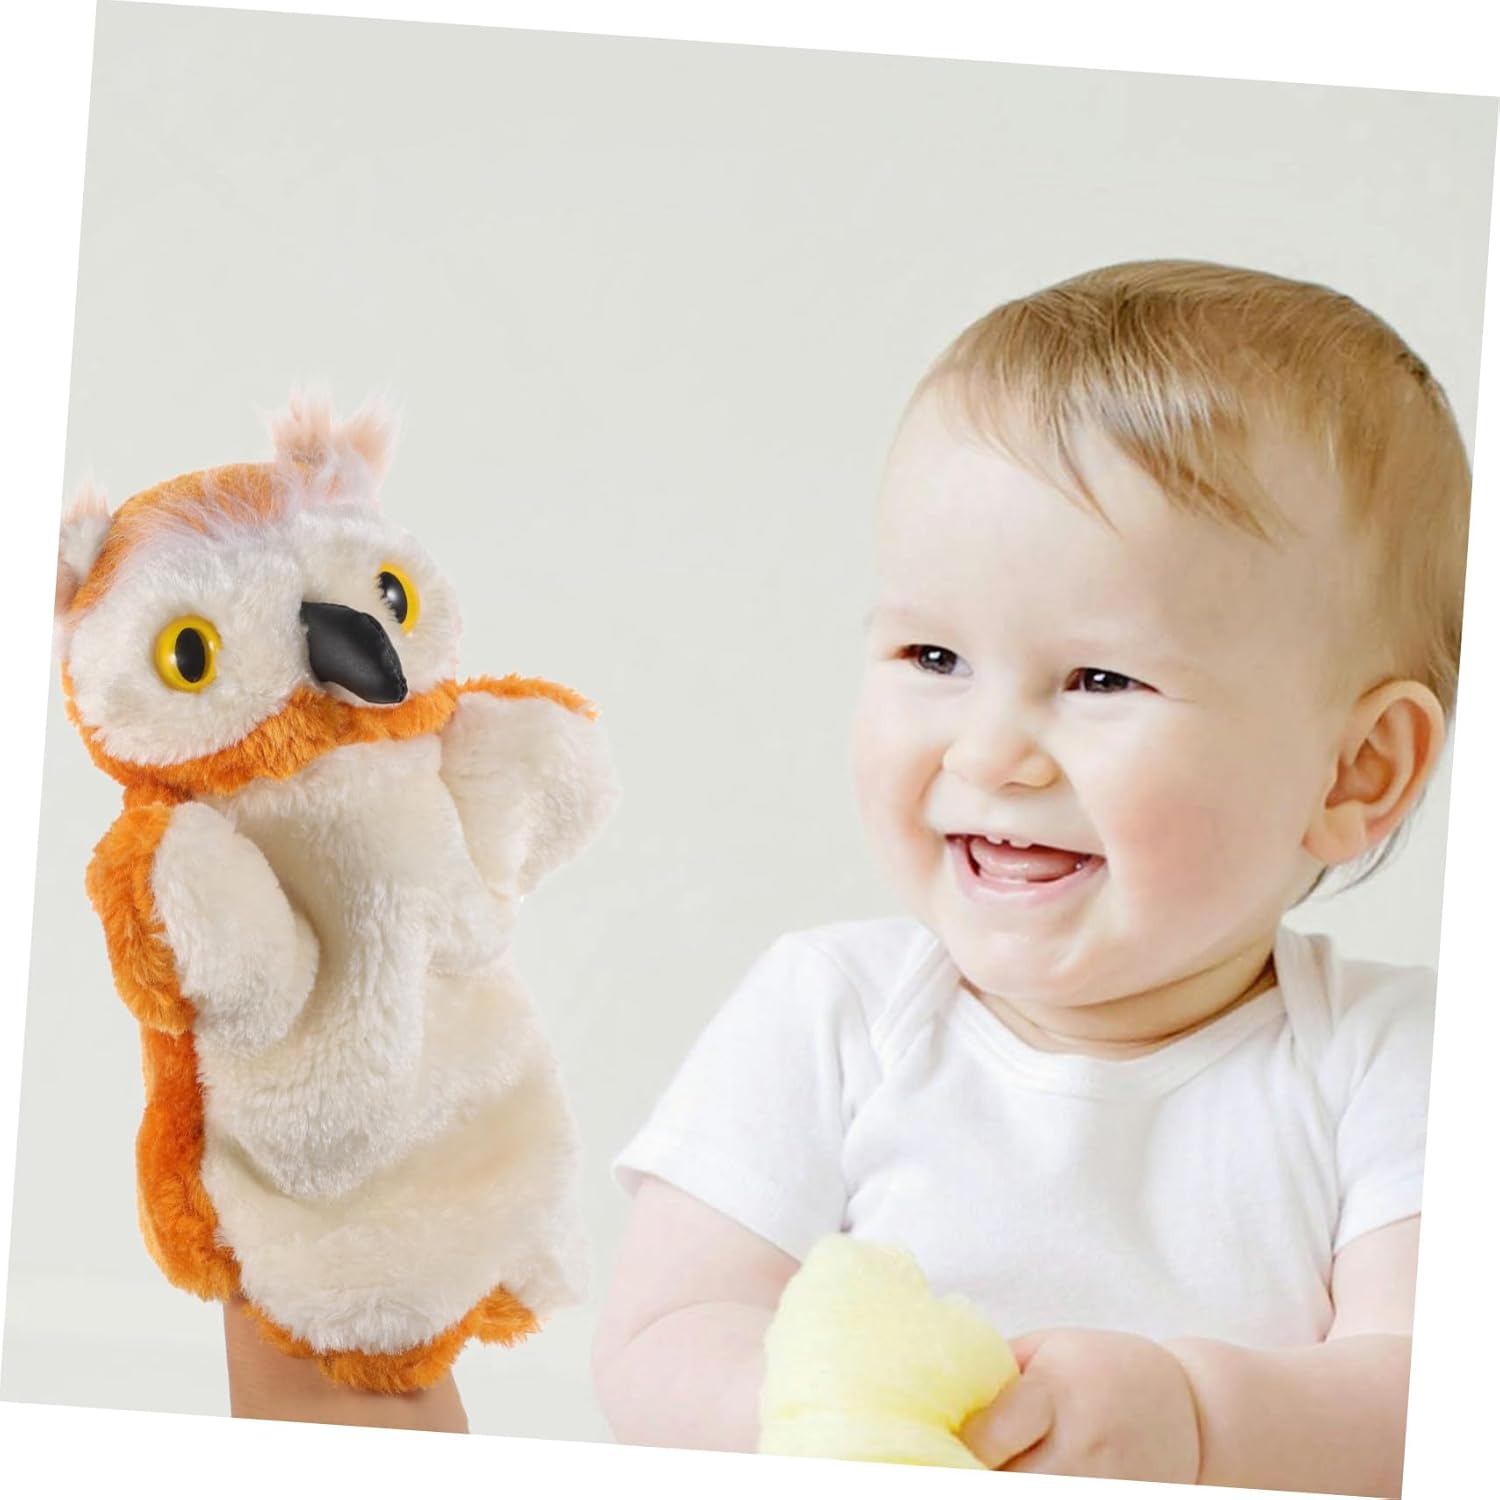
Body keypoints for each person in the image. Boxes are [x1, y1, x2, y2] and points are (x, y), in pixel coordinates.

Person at [591, 261, 1470, 1494]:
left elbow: (1439, 1399)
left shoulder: (1395, 1065)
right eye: (932, 655)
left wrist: (1197, 1423)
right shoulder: (830, 1014)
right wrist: (832, 1423)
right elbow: (663, 1336)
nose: (990, 752)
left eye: (1101, 680)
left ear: (1354, 770)